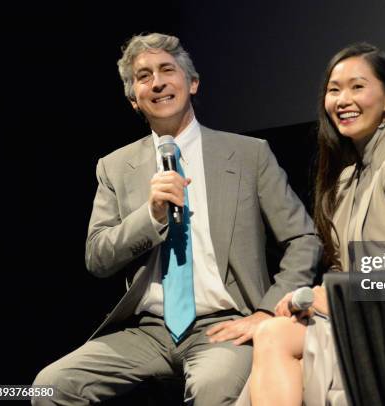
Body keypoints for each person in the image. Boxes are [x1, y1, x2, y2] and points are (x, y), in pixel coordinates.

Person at [32, 33, 321, 405]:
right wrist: (149, 217)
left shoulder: (248, 155)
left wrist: (267, 311)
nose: (157, 82)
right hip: (146, 331)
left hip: (224, 324)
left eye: (167, 69)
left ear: (193, 83)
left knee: (213, 388)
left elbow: (303, 239)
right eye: (143, 76)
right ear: (134, 99)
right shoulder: (115, 167)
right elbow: (97, 257)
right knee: (46, 385)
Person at [245, 42, 385, 406]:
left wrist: (330, 296)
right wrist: (316, 298)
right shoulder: (348, 176)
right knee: (272, 332)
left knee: (274, 336)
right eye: (333, 90)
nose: (342, 100)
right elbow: (342, 267)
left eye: (357, 87)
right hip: (356, 319)